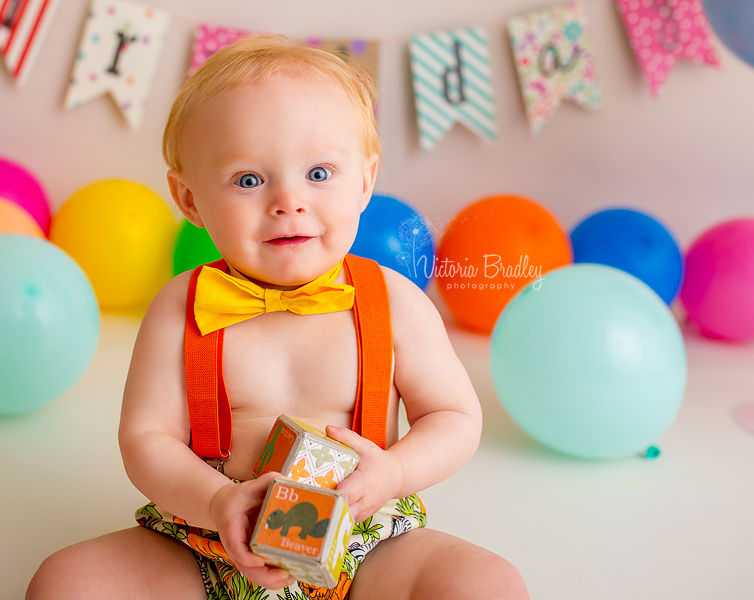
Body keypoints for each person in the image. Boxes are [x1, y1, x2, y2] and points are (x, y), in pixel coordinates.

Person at [27, 35, 529, 600]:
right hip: (206, 541)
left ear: (365, 181)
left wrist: (394, 474)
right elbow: (146, 439)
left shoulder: (393, 301)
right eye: (248, 179)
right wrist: (217, 502)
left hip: (363, 542)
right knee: (66, 582)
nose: (288, 201)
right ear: (189, 200)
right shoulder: (182, 306)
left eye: (319, 174)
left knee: (489, 585)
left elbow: (454, 416)